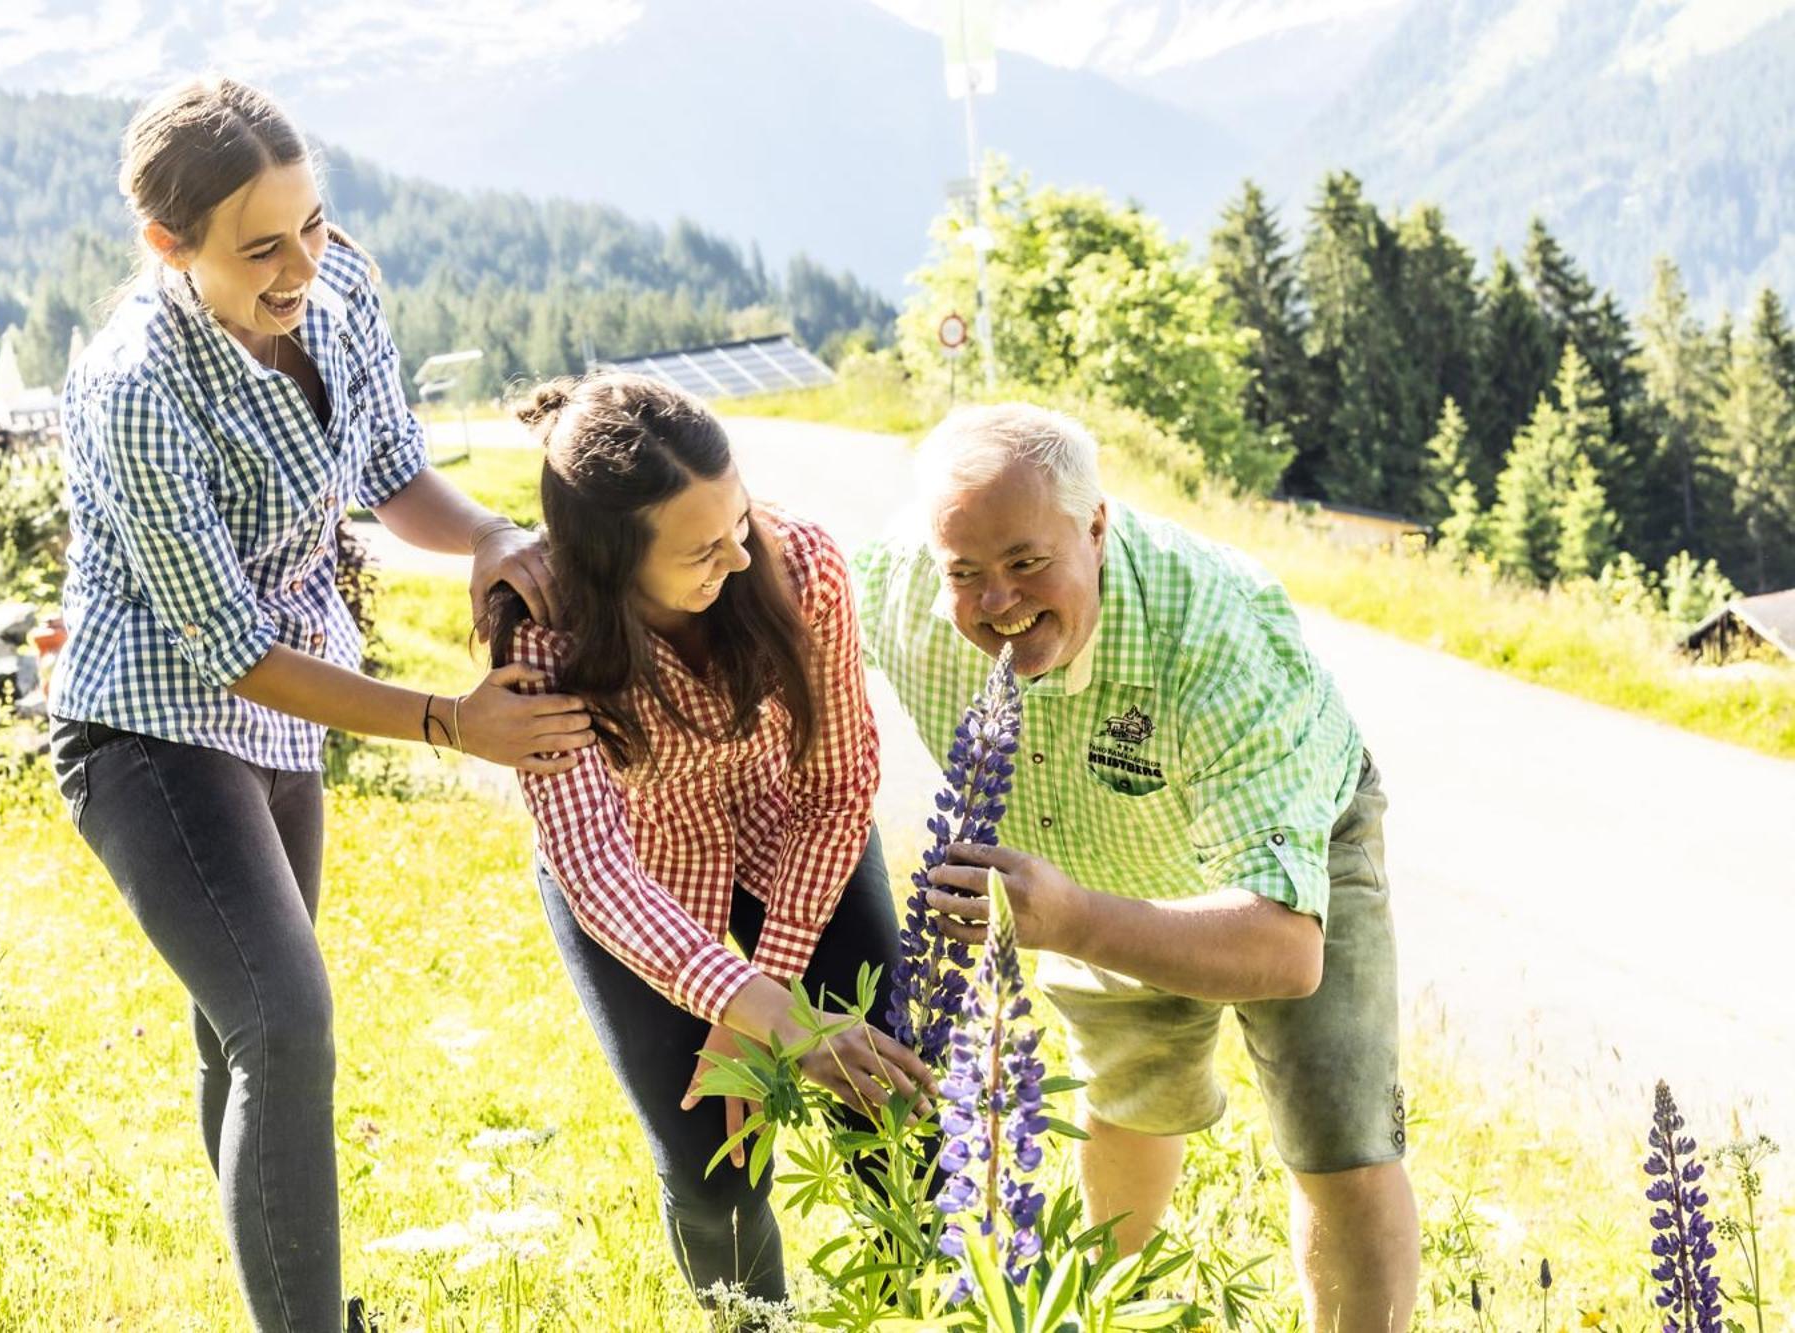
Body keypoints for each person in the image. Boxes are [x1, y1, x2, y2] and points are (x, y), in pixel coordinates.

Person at [48, 77, 592, 1333]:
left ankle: (279, 1293)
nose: (302, 264)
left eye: (312, 223)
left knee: (241, 1033)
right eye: (261, 248)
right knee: (282, 1027)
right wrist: (451, 722)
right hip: (149, 727)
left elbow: (393, 467)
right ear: (166, 248)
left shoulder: (336, 285)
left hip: (287, 709)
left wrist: (494, 539)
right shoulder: (135, 386)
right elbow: (229, 646)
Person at [855, 403, 1419, 1331]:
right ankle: (1093, 1318)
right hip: (1092, 858)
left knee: (1340, 1140)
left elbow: (1288, 951)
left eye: (1029, 563)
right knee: (1127, 1099)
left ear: (1097, 524)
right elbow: (748, 571)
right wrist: (533, 558)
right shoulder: (898, 586)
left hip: (1287, 860)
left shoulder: (1220, 639)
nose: (998, 602)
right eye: (967, 572)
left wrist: (1072, 920)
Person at [480, 371, 934, 1315]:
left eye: (738, 521)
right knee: (716, 1172)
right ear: (611, 565)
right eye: (700, 549)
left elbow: (840, 783)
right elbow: (598, 871)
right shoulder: (544, 642)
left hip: (796, 839)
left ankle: (911, 1305)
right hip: (640, 881)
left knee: (899, 1104)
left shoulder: (800, 561)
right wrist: (751, 1006)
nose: (736, 553)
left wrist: (759, 1003)